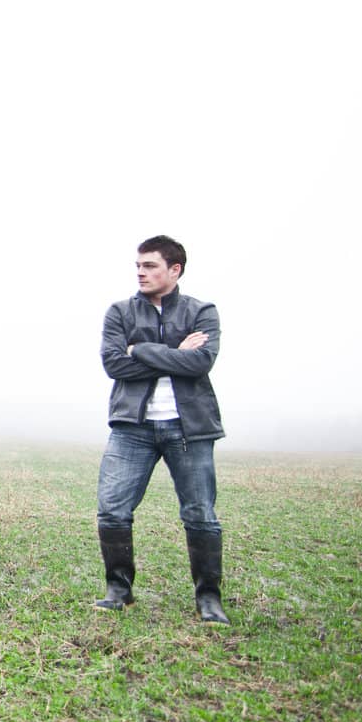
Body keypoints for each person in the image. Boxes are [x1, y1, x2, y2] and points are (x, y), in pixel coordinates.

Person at [94, 235, 229, 624]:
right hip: (132, 427)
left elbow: (200, 363)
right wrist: (174, 354)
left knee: (200, 514)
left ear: (175, 269)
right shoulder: (119, 313)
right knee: (112, 508)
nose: (141, 272)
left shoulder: (203, 311)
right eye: (138, 265)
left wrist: (140, 350)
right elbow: (114, 365)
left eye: (150, 266)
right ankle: (119, 590)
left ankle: (208, 598)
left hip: (190, 427)